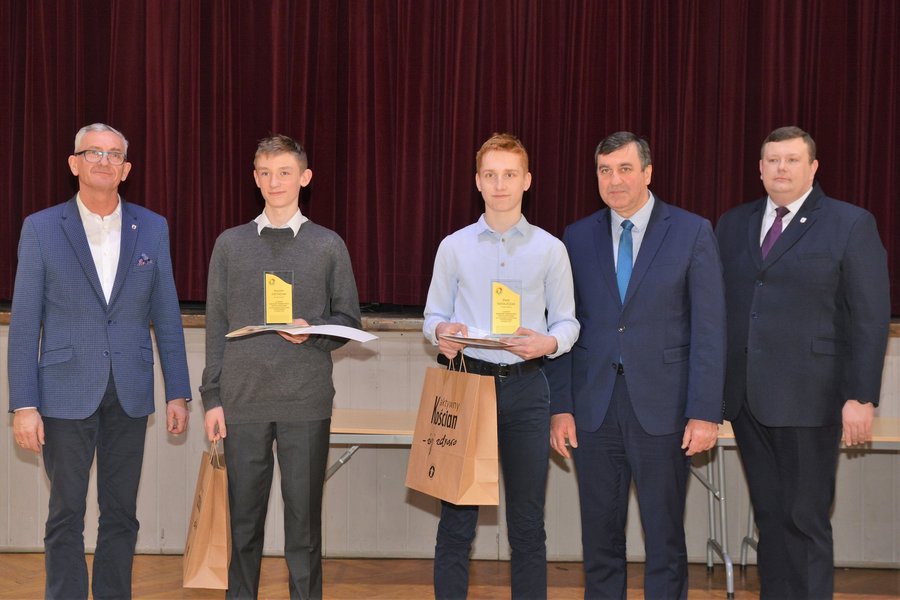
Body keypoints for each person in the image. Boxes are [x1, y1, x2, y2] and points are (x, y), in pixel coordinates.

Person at [7, 123, 191, 599]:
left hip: (130, 392)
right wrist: (23, 404)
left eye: (114, 155)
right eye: (93, 153)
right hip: (64, 392)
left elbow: (166, 314)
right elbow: (25, 324)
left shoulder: (152, 227)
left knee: (122, 514)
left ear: (126, 169)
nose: (104, 161)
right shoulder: (41, 228)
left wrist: (178, 391)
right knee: (66, 512)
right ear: (74, 164)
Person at [544, 131, 726, 599]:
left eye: (625, 169)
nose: (614, 180)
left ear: (648, 172)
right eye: (605, 170)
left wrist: (705, 412)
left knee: (664, 538)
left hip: (665, 410)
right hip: (594, 409)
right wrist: (561, 406)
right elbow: (563, 326)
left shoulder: (691, 231)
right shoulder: (577, 237)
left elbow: (710, 330)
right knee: (599, 538)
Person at [715, 126, 890, 599]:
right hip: (747, 400)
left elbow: (870, 317)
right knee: (770, 518)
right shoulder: (732, 223)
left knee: (805, 519)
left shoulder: (850, 223)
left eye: (792, 160)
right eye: (773, 160)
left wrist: (861, 396)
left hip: (811, 399)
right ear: (759, 168)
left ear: (813, 168)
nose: (781, 168)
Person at [200, 134, 361, 599]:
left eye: (285, 172)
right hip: (242, 402)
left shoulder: (328, 245)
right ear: (255, 178)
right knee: (243, 528)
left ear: (304, 178)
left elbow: (349, 321)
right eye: (266, 173)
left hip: (305, 404)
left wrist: (314, 331)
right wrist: (212, 398)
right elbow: (216, 325)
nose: (275, 182)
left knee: (304, 531)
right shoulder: (229, 245)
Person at [423, 132, 580, 600]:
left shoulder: (550, 249)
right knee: (457, 519)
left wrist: (548, 342)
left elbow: (568, 321)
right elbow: (432, 316)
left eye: (509, 174)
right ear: (477, 181)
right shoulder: (454, 246)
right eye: (490, 175)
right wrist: (441, 333)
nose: (500, 184)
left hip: (527, 390)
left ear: (527, 180)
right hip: (468, 386)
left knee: (528, 524)